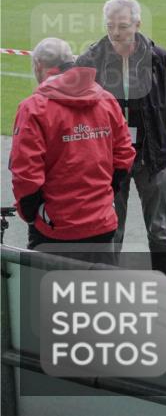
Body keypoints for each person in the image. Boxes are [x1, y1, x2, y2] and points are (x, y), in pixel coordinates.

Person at [76, 0, 166, 277]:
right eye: (110, 26)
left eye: (123, 26)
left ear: (138, 24)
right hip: (108, 160)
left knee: (160, 231)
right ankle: (107, 290)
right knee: (110, 229)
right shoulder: (90, 59)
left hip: (150, 156)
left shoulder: (160, 58)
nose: (116, 32)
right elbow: (73, 110)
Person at [9, 38, 135, 265]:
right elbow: (124, 156)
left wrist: (34, 213)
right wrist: (105, 196)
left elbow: (25, 173)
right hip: (101, 223)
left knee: (51, 298)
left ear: (38, 66)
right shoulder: (106, 100)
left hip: (55, 229)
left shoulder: (34, 108)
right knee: (100, 297)